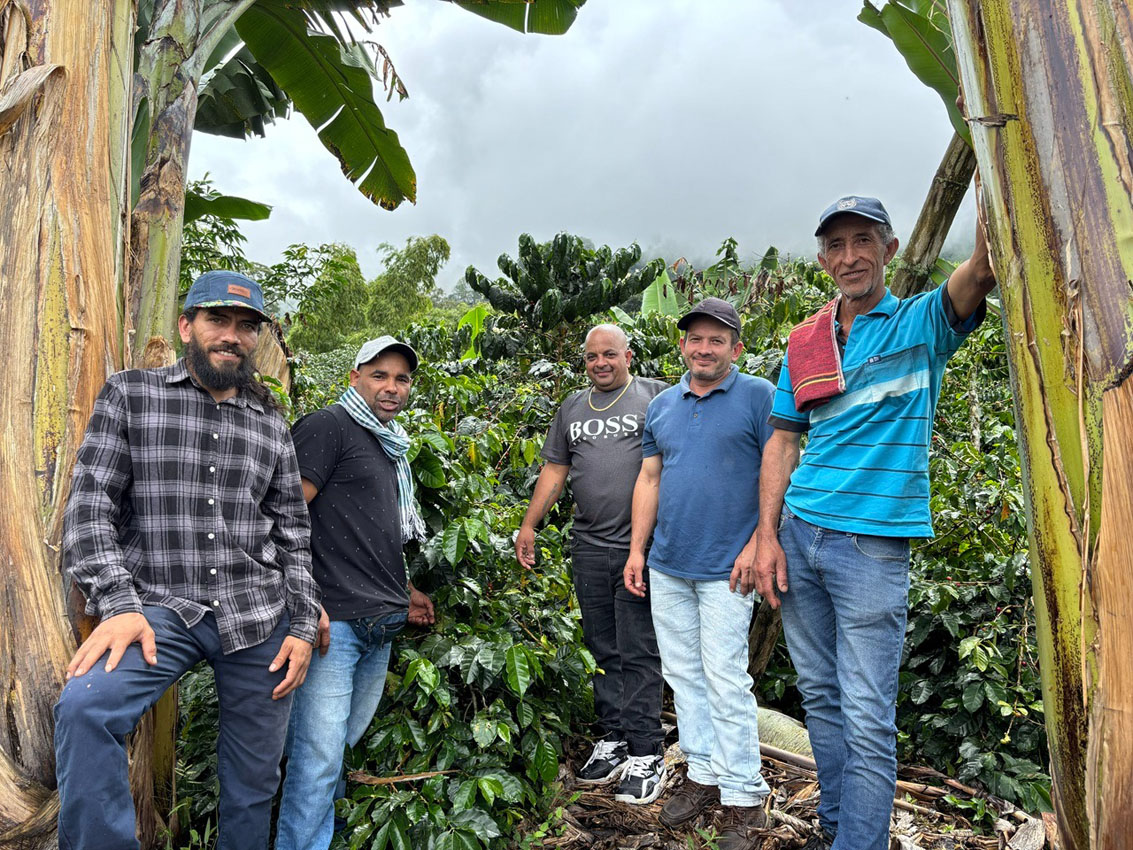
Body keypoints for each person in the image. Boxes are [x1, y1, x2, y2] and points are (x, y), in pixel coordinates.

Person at [754, 196, 996, 850]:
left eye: (863, 240)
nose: (849, 256)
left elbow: (980, 271)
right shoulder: (804, 340)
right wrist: (766, 535)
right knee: (821, 698)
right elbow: (783, 441)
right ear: (822, 260)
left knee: (865, 715)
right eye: (836, 245)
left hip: (870, 547)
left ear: (888, 250)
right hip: (799, 532)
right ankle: (837, 828)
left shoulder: (921, 323)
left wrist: (994, 183)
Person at [54, 271, 320, 850]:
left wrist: (302, 624)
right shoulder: (131, 395)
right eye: (217, 320)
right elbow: (90, 507)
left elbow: (293, 533)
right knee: (86, 709)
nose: (232, 336)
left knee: (253, 783)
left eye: (246, 326)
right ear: (186, 326)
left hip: (257, 616)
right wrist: (119, 604)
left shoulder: (270, 421)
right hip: (157, 611)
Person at [624, 299, 776, 850]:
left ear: (736, 348)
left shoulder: (759, 396)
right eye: (695, 339)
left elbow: (781, 468)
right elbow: (650, 478)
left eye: (716, 340)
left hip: (727, 567)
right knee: (684, 674)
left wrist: (759, 542)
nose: (704, 349)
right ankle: (704, 773)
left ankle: (745, 797)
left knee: (726, 677)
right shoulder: (663, 405)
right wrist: (637, 550)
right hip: (669, 564)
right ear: (683, 345)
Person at [276, 335, 436, 850]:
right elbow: (280, 518)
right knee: (318, 758)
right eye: (379, 375)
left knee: (338, 747)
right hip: (334, 626)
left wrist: (405, 590)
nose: (392, 387)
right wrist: (304, 601)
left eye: (402, 379)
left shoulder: (389, 442)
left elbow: (366, 530)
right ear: (354, 377)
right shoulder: (329, 427)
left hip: (379, 623)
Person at [515, 324, 669, 804]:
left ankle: (647, 750)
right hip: (589, 546)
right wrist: (529, 524)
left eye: (609, 354)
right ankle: (615, 737)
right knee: (602, 647)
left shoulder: (657, 396)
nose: (600, 363)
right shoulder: (572, 408)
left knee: (638, 649)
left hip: (642, 548)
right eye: (591, 357)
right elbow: (555, 471)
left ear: (628, 355)